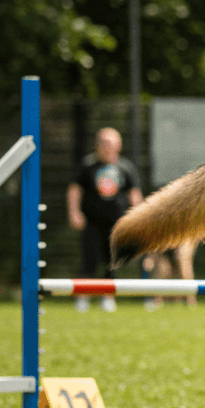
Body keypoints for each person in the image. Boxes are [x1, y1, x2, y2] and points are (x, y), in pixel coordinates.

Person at [66, 127, 144, 312]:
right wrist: (74, 212)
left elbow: (134, 194)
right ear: (97, 144)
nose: (107, 147)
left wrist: (138, 218)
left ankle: (107, 297)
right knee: (89, 261)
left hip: (116, 224)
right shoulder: (87, 165)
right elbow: (74, 190)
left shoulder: (126, 167)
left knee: (112, 262)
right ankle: (82, 297)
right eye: (104, 143)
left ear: (119, 145)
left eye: (111, 143)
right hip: (92, 223)